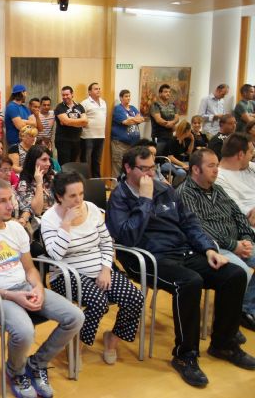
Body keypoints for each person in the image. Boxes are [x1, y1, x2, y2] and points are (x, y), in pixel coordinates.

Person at [106, 146, 254, 387]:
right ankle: (185, 355)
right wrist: (144, 200)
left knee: (234, 274)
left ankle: (224, 344)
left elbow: (189, 223)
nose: (149, 174)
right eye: (143, 169)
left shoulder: (165, 190)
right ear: (128, 168)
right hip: (148, 259)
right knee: (189, 282)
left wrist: (209, 249)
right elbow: (127, 237)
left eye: (152, 168)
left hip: (182, 251)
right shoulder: (119, 197)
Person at [0, 178, 84, 398]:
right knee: (25, 332)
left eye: (11, 199)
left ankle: (37, 363)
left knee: (75, 317)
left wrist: (38, 287)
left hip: (24, 287)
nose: (10, 206)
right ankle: (15, 371)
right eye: (2, 201)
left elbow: (30, 269)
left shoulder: (16, 229)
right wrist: (12, 296)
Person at [41, 172, 144, 364]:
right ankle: (76, 344)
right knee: (98, 302)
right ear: (59, 197)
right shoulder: (49, 218)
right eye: (72, 196)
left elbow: (106, 242)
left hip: (99, 269)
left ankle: (112, 339)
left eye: (81, 193)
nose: (79, 200)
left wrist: (106, 269)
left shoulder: (92, 209)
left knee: (134, 298)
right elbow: (55, 255)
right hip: (67, 275)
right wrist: (66, 223)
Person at [176, 148, 255, 333]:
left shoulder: (218, 189)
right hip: (212, 247)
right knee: (241, 273)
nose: (216, 170)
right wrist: (233, 245)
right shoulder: (185, 193)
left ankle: (246, 309)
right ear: (196, 169)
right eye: (211, 166)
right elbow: (199, 227)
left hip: (237, 243)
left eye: (217, 165)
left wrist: (246, 238)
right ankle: (228, 326)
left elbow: (238, 216)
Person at [215, 133, 255, 226]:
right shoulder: (219, 178)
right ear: (241, 155)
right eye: (251, 152)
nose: (252, 156)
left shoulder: (249, 166)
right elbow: (238, 210)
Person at [16, 145, 56, 232]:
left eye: (49, 160)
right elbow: (37, 211)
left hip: (57, 216)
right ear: (33, 161)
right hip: (41, 224)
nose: (48, 164)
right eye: (44, 160)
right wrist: (39, 183)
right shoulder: (24, 184)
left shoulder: (52, 176)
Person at [111, 89, 144, 178]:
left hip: (133, 144)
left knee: (130, 166)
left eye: (129, 96)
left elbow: (142, 119)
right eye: (126, 96)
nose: (128, 98)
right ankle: (117, 185)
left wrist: (131, 119)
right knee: (119, 166)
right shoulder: (118, 109)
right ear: (121, 98)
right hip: (120, 144)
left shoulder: (133, 108)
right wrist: (135, 119)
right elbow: (126, 122)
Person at [54, 86, 87, 166]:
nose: (65, 97)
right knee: (64, 165)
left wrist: (69, 122)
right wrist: (79, 122)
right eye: (63, 95)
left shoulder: (79, 106)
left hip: (76, 141)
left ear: (72, 94)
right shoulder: (59, 107)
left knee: (72, 165)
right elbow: (66, 121)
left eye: (67, 94)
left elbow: (85, 122)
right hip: (63, 141)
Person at [80, 82, 107, 177]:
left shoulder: (103, 102)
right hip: (88, 136)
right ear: (89, 92)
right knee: (86, 162)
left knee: (97, 161)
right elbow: (80, 120)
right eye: (96, 89)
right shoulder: (84, 103)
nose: (98, 90)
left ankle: (97, 181)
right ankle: (85, 182)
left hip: (101, 136)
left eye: (99, 89)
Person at [150, 84, 180, 155]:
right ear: (160, 93)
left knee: (168, 156)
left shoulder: (173, 105)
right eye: (166, 92)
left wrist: (172, 123)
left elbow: (177, 118)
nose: (168, 93)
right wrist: (170, 124)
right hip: (159, 136)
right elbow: (158, 119)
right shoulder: (155, 105)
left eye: (169, 92)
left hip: (170, 136)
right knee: (158, 156)